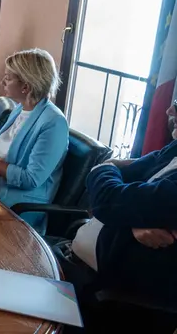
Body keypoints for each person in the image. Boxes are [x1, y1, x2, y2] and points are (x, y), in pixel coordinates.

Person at [69, 101, 177, 304]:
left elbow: (107, 198)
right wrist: (133, 220)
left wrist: (104, 170)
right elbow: (114, 175)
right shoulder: (174, 150)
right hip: (76, 263)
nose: (168, 110)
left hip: (107, 294)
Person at [0, 49, 68, 232]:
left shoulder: (53, 123)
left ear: (25, 87)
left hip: (19, 208)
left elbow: (30, 179)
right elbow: (2, 152)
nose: (2, 81)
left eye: (8, 78)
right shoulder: (20, 109)